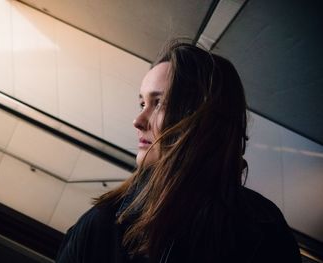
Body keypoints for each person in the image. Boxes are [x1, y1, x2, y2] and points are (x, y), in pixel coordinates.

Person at [56, 40, 302, 263]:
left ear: (202, 118)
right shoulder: (106, 222)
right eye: (142, 103)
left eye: (159, 102)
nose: (138, 120)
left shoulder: (262, 231)